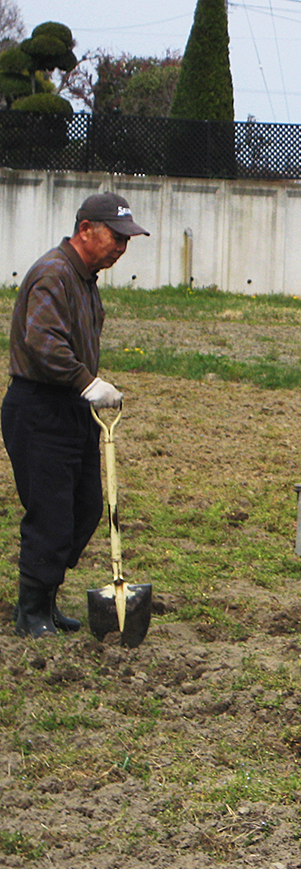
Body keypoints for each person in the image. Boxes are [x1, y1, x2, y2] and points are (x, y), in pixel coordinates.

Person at [3, 192, 149, 638]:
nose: (122, 247)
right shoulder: (54, 273)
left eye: (127, 240)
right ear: (86, 229)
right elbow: (43, 343)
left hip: (72, 409)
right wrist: (88, 382)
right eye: (115, 237)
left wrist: (86, 392)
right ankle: (31, 612)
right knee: (51, 513)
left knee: (85, 507)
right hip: (40, 407)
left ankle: (46, 598)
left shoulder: (84, 278)